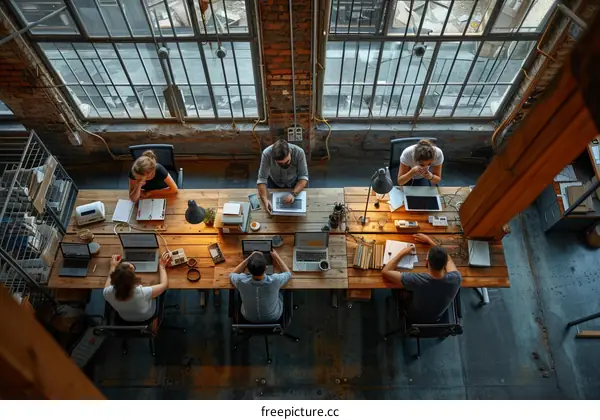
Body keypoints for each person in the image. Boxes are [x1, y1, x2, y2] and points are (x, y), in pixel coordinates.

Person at [381, 233, 462, 322]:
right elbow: (448, 258)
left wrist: (402, 252)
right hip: (436, 317)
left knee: (397, 288)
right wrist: (429, 241)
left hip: (414, 316)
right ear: (445, 264)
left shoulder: (417, 280)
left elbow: (385, 271)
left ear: (427, 262)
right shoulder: (456, 278)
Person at [103, 253, 171, 322]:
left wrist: (113, 266)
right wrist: (162, 265)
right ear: (134, 280)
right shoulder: (142, 293)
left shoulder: (107, 293)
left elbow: (109, 280)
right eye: (133, 270)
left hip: (125, 317)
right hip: (147, 315)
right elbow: (164, 285)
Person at [229, 249, 291, 323]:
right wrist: (276, 257)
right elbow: (288, 273)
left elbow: (231, 274)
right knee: (281, 291)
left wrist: (250, 258)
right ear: (266, 269)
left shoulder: (241, 281)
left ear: (248, 270)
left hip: (248, 318)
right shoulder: (275, 280)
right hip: (273, 317)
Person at [257, 140, 309, 213]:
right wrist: (265, 199)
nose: (284, 165)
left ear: (290, 152)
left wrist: (293, 194)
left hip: (293, 182)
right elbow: (262, 179)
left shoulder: (299, 152)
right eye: (280, 164)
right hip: (274, 182)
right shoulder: (266, 154)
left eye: (287, 162)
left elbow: (303, 176)